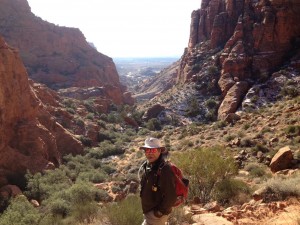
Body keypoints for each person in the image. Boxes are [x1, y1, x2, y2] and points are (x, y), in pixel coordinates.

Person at [139, 137, 177, 225]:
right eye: (147, 150)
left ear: (160, 151)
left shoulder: (165, 169)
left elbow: (171, 196)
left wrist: (159, 213)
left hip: (156, 216)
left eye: (153, 150)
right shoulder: (150, 166)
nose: (149, 153)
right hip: (149, 213)